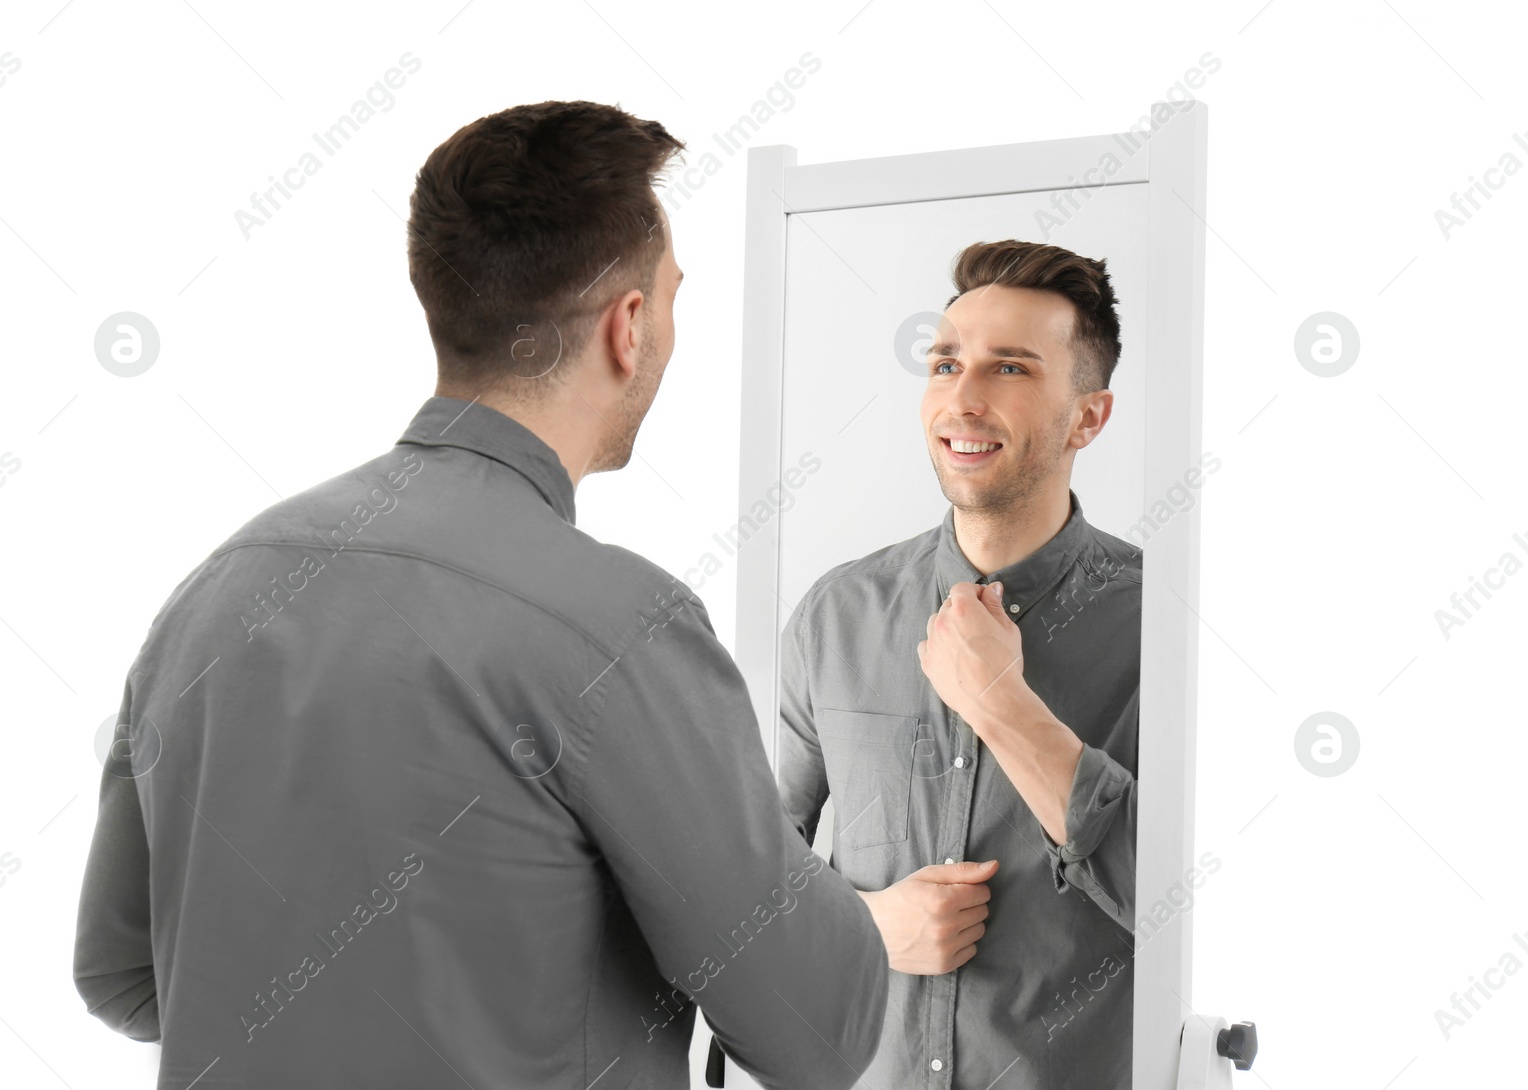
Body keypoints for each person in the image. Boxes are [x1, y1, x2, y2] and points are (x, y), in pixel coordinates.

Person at [73, 100, 888, 1090]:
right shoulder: (620, 629)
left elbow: (122, 972)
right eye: (670, 296)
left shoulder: (217, 587)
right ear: (628, 327)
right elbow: (822, 1031)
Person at [770, 241, 1140, 1089]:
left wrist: (1004, 706)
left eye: (1009, 369)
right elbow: (753, 885)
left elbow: (1187, 904)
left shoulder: (1163, 625)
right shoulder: (837, 616)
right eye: (945, 364)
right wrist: (864, 927)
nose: (962, 400)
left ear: (1089, 417)